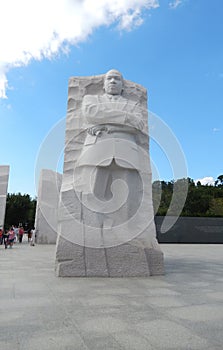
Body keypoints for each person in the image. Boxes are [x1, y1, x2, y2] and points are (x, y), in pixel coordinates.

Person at [75, 69, 147, 227]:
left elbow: (138, 126)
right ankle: (93, 229)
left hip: (126, 152)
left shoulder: (134, 104)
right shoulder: (91, 99)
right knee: (92, 193)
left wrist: (106, 125)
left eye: (117, 79)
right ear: (104, 84)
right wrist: (125, 118)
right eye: (109, 78)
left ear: (122, 85)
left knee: (127, 197)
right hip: (97, 151)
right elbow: (91, 114)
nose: (113, 81)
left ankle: (122, 232)